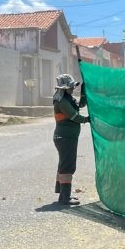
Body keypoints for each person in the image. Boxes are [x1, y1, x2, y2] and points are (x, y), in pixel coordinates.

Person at [52, 73, 90, 205]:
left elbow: (81, 105)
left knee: (64, 163)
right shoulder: (62, 101)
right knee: (67, 165)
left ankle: (62, 194)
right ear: (64, 88)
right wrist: (87, 120)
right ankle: (65, 197)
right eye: (71, 87)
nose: (73, 88)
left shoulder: (67, 98)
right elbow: (74, 116)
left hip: (67, 137)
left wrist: (84, 91)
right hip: (65, 137)